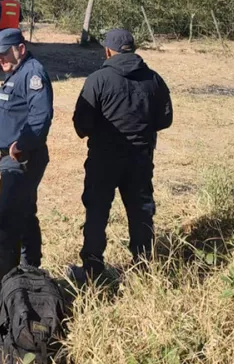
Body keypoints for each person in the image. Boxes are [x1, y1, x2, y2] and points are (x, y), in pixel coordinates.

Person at [67, 29, 173, 284]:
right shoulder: (154, 79)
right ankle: (144, 268)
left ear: (107, 51)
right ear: (133, 49)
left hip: (103, 159)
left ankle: (92, 270)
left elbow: (82, 125)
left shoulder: (98, 80)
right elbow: (165, 119)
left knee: (97, 212)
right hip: (140, 159)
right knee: (141, 212)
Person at [0, 28, 54, 305]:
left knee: (2, 219)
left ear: (20, 49)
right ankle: (29, 272)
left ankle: (5, 283)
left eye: (4, 53)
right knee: (24, 213)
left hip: (22, 160)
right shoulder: (17, 72)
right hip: (11, 158)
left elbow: (40, 117)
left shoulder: (33, 74)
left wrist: (22, 145)